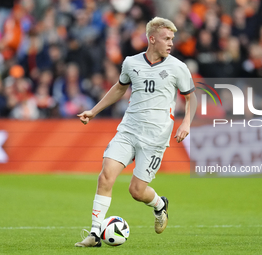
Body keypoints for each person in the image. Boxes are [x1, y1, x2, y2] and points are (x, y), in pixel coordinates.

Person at [75, 17, 197, 247]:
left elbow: (191, 97)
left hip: (155, 138)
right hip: (128, 130)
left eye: (172, 38)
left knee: (136, 190)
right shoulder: (131, 63)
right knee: (106, 175)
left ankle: (160, 205)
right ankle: (94, 233)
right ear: (152, 39)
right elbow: (119, 88)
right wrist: (93, 111)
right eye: (166, 38)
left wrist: (186, 123)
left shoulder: (178, 67)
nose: (171, 43)